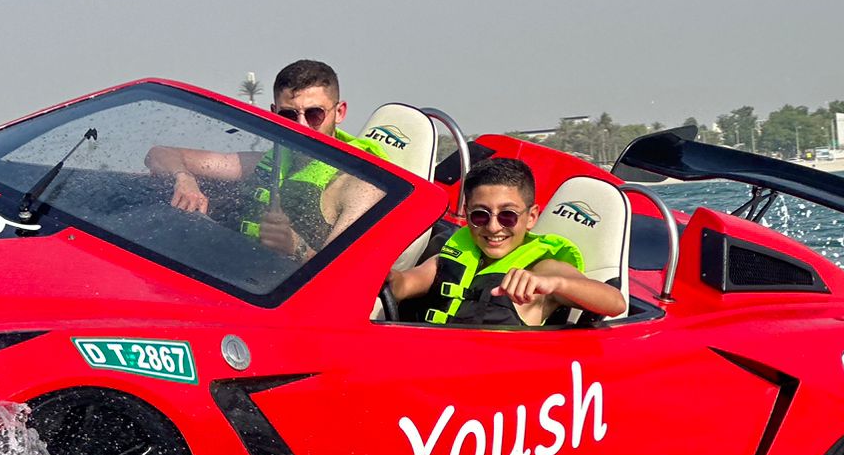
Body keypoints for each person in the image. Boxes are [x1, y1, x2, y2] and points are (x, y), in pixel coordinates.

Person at [145, 60, 386, 263]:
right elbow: (159, 154)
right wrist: (183, 177)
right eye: (289, 115)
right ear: (273, 114)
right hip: (234, 274)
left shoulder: (361, 182)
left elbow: (341, 275)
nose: (301, 126)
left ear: (340, 112)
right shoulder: (263, 162)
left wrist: (296, 246)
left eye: (314, 114)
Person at [389, 158, 626, 327]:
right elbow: (402, 284)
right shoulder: (453, 255)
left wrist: (554, 283)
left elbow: (614, 303)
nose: (493, 227)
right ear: (466, 213)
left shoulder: (542, 268)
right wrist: (379, 272)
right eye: (480, 215)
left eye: (507, 216)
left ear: (531, 217)